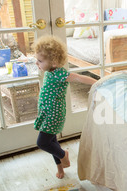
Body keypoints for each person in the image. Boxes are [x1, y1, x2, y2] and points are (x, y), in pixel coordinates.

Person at [33, 35, 97, 179]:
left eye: (40, 61)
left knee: (42, 142)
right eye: (37, 60)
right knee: (52, 142)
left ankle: (63, 155)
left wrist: (96, 82)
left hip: (53, 116)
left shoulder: (59, 73)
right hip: (46, 112)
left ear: (54, 62)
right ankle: (60, 168)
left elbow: (78, 78)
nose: (37, 63)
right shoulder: (50, 71)